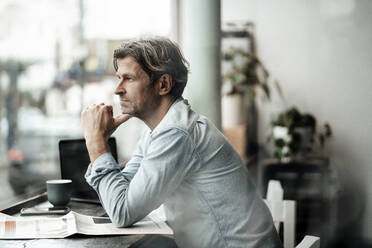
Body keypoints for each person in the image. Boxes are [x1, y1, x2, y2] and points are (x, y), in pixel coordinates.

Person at [81, 37, 282, 248]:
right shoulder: (157, 131)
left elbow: (121, 211)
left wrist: (96, 142)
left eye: (129, 78)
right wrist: (99, 140)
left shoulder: (176, 133)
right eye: (119, 78)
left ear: (163, 84)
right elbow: (124, 193)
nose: (118, 89)